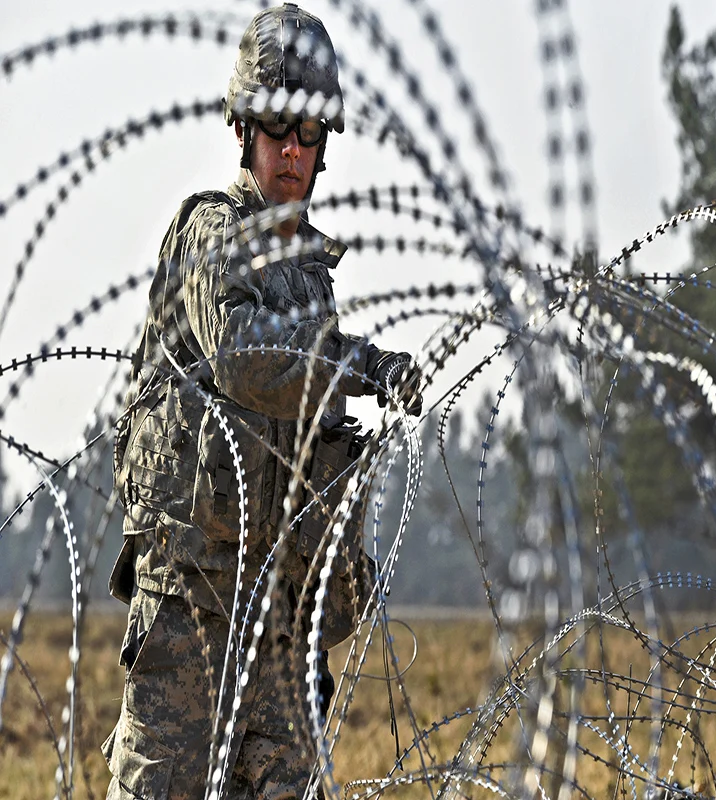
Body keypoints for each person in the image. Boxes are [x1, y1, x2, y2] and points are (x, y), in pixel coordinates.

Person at [102, 4, 422, 798]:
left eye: (307, 133)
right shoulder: (211, 233)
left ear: (324, 146)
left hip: (281, 635)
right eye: (275, 127)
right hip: (191, 623)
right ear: (244, 130)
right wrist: (363, 364)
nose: (290, 149)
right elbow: (247, 360)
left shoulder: (311, 276)